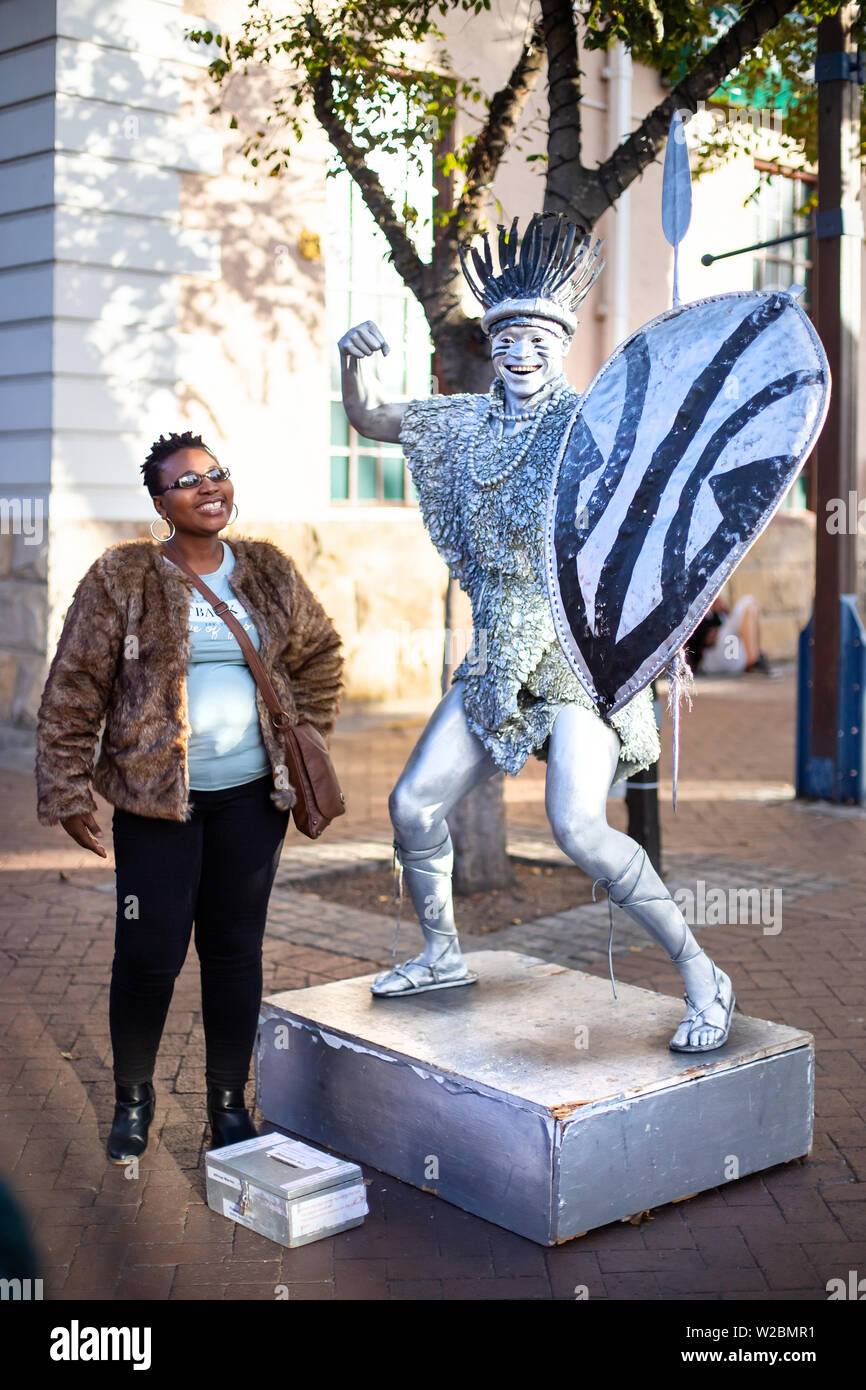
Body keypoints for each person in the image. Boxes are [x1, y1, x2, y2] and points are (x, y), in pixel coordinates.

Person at [339, 213, 735, 1053]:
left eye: (538, 337)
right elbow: (372, 417)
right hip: (498, 659)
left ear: (561, 345)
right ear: (493, 343)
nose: (521, 352)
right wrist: (351, 358)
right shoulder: (459, 426)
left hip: (578, 655)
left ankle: (703, 973)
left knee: (579, 828)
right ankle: (442, 952)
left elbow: (666, 505)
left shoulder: (597, 424)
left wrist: (666, 622)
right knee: (412, 803)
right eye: (507, 335)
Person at [35, 432, 343, 1161]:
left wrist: (301, 733)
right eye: (186, 481)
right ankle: (133, 1102)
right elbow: (74, 687)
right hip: (156, 804)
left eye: (217, 475)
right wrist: (69, 788)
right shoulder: (123, 576)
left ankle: (229, 1108)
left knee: (234, 953)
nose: (208, 488)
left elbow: (320, 650)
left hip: (249, 801)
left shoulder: (267, 569)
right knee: (149, 954)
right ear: (159, 503)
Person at [685, 589, 769, 676]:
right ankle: (753, 661)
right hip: (711, 659)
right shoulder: (696, 612)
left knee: (751, 605)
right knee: (746, 603)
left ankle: (755, 658)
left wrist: (721, 610)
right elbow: (704, 640)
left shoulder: (720, 613)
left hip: (730, 654)